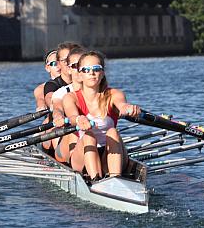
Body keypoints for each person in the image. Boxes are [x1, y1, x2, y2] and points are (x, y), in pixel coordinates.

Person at [62, 50, 141, 182]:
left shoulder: (114, 94)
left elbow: (122, 105)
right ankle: (95, 179)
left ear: (102, 73)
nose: (92, 73)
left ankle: (116, 179)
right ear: (80, 75)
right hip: (83, 156)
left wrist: (128, 109)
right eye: (86, 69)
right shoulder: (71, 97)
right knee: (88, 135)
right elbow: (71, 115)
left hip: (110, 154)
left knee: (112, 131)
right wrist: (79, 119)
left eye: (96, 69)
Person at [49, 46, 86, 162]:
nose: (80, 70)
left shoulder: (104, 93)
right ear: (69, 69)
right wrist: (58, 116)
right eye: (76, 66)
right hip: (69, 138)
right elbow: (57, 108)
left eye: (84, 67)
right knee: (75, 133)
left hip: (95, 139)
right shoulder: (61, 93)